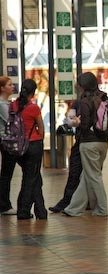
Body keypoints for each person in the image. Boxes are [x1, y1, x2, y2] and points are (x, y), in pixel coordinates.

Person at [63, 72, 108, 217]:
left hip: (89, 143)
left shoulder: (85, 101)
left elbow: (84, 124)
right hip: (103, 142)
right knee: (87, 176)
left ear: (83, 86)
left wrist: (77, 123)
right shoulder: (104, 98)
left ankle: (102, 208)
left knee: (93, 176)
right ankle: (74, 208)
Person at [14, 79, 47, 220]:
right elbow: (41, 128)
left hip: (18, 147)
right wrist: (39, 138)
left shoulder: (13, 105)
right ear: (33, 92)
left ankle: (41, 211)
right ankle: (23, 210)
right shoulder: (33, 108)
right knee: (31, 179)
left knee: (34, 178)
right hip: (33, 145)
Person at [49, 100, 82, 213]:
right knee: (93, 176)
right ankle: (91, 203)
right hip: (99, 142)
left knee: (76, 173)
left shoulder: (80, 102)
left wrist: (76, 122)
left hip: (83, 141)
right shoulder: (101, 99)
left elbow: (70, 121)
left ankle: (68, 202)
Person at [0, 76, 17, 216]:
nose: (12, 86)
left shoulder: (7, 103)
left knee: (6, 172)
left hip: (7, 139)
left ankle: (4, 203)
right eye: (9, 84)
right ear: (2, 88)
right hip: (6, 140)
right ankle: (4, 205)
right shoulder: (2, 104)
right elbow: (10, 121)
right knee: (6, 173)